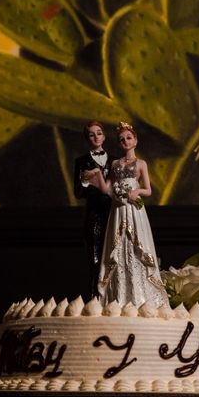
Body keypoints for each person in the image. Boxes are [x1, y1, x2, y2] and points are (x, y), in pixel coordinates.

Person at [84, 122, 169, 308]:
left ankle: (142, 297)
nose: (125, 141)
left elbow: (148, 190)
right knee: (118, 247)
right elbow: (107, 189)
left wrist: (136, 192)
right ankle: (118, 296)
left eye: (128, 138)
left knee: (136, 245)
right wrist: (96, 177)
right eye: (122, 139)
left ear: (135, 141)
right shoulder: (115, 164)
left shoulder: (141, 164)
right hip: (118, 210)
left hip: (134, 210)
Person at [73, 121, 113, 299]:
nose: (96, 137)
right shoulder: (82, 161)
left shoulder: (115, 161)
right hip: (94, 215)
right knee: (95, 259)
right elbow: (78, 192)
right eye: (91, 134)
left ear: (104, 136)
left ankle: (112, 298)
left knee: (113, 257)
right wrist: (85, 180)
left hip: (113, 214)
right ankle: (93, 298)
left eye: (99, 133)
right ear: (87, 138)